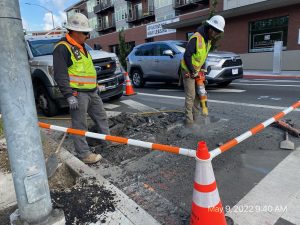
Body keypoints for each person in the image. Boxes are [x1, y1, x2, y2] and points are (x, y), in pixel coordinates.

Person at [53, 13, 110, 164]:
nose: (87, 35)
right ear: (74, 31)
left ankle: (108, 141)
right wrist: (69, 95)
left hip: (92, 91)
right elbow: (60, 74)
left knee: (101, 117)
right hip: (77, 94)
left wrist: (95, 85)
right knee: (79, 124)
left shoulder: (82, 47)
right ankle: (84, 154)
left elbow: (87, 69)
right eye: (85, 33)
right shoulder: (62, 48)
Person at [180, 15, 225, 127]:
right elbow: (187, 56)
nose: (216, 35)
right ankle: (189, 122)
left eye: (218, 33)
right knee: (191, 95)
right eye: (216, 32)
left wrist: (203, 69)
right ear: (210, 28)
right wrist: (192, 71)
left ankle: (196, 118)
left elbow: (203, 56)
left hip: (197, 70)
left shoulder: (207, 41)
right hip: (187, 69)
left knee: (198, 95)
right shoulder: (196, 38)